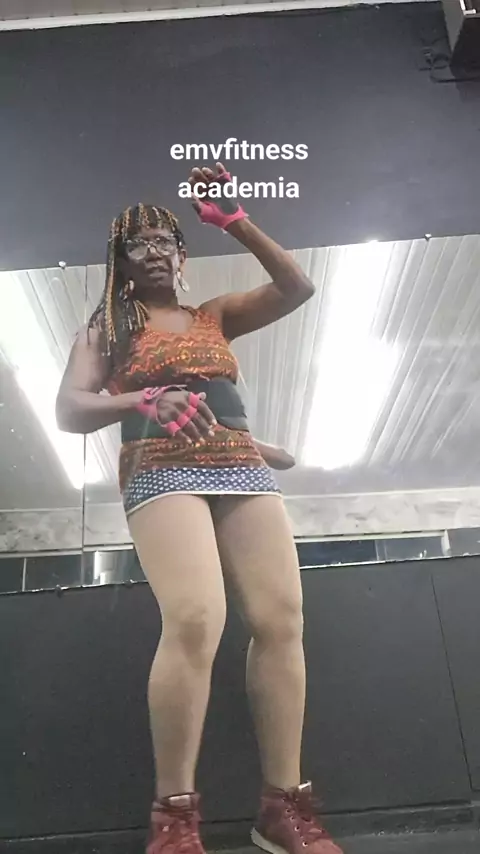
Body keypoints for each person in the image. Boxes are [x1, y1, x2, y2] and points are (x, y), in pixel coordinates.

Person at [56, 163, 343, 854]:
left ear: (183, 254)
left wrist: (235, 221)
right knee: (195, 618)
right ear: (120, 261)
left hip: (238, 465)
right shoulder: (107, 329)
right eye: (139, 244)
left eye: (166, 240)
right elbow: (70, 409)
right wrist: (142, 398)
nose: (154, 251)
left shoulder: (214, 316)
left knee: (281, 619)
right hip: (159, 466)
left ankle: (282, 808)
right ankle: (175, 819)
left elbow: (297, 287)